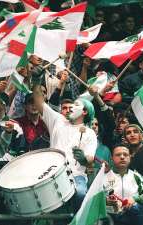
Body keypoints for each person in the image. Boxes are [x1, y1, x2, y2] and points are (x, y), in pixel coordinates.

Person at [31, 66, 97, 204]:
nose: (71, 107)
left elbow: (90, 158)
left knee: (79, 194)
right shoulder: (57, 119)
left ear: (84, 112)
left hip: (76, 175)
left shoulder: (90, 133)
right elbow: (38, 101)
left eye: (76, 105)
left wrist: (84, 159)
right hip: (52, 174)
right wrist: (36, 80)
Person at [104, 144, 143, 225]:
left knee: (134, 208)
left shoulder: (136, 176)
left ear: (130, 158)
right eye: (118, 155)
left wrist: (134, 199)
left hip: (132, 215)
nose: (122, 157)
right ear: (112, 158)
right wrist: (105, 201)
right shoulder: (104, 177)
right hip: (111, 215)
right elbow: (94, 199)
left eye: (125, 155)